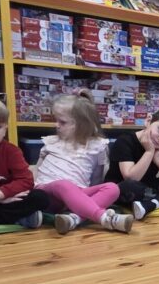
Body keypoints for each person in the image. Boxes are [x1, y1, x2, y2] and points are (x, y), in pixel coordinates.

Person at [34, 91, 133, 235]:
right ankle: (104, 218)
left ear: (82, 125)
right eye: (56, 120)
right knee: (64, 184)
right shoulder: (51, 142)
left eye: (62, 122)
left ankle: (74, 218)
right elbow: (37, 170)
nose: (57, 125)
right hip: (47, 192)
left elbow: (97, 177)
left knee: (113, 188)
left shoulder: (98, 146)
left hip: (77, 193)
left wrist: (84, 198)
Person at [0, 94, 48, 228]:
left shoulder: (11, 151)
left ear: (4, 130)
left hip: (8, 196)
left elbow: (26, 180)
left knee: (41, 197)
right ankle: (17, 218)